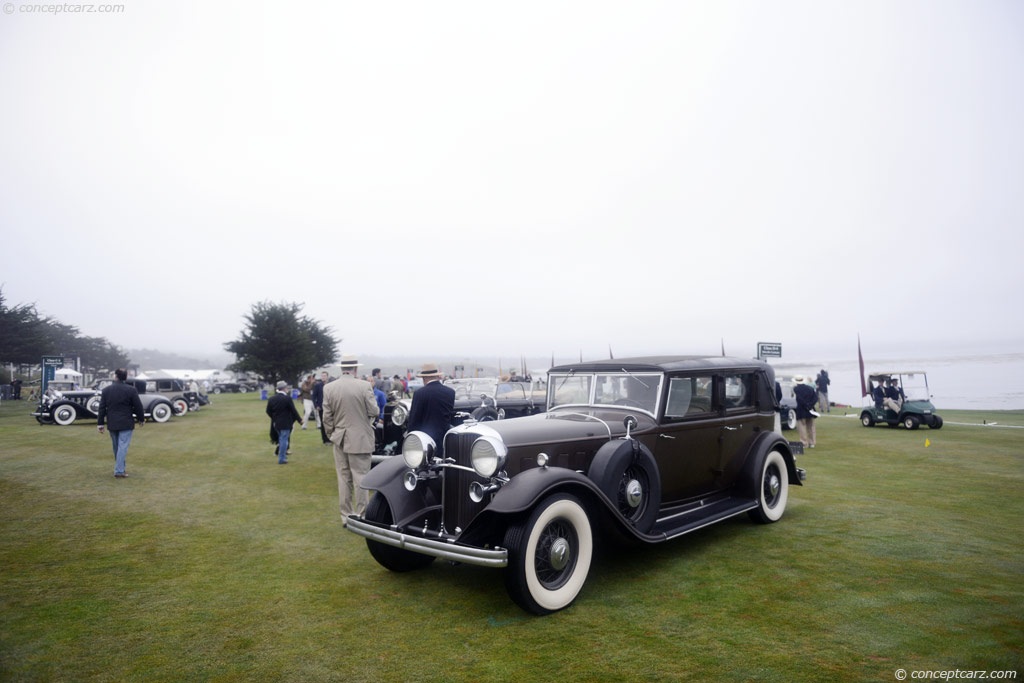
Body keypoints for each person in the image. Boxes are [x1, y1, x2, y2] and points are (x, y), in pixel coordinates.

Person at [322, 354, 379, 519]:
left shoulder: (329, 388)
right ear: (355, 368)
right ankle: (362, 515)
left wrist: (332, 435)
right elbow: (374, 411)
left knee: (343, 477)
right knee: (360, 476)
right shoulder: (364, 386)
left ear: (341, 368)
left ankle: (346, 515)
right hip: (359, 437)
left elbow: (327, 417)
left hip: (339, 437)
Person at [96, 368, 145, 478]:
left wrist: (100, 423)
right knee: (122, 447)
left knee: (116, 447)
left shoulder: (106, 390)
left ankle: (120, 469)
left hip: (112, 422)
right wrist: (141, 419)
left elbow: (102, 408)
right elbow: (138, 406)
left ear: (115, 376)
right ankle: (119, 471)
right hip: (126, 422)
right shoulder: (131, 390)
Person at [407, 362, 456, 457]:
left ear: (424, 378)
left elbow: (414, 419)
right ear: (437, 376)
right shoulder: (450, 392)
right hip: (444, 438)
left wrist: (411, 439)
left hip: (425, 440)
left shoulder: (419, 393)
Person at [266, 380, 301, 464]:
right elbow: (293, 411)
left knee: (281, 439)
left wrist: (274, 418)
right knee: (284, 441)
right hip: (285, 423)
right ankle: (282, 459)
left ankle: (281, 456)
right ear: (284, 389)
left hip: (276, 423)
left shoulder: (272, 398)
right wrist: (300, 420)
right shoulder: (287, 398)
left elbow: (268, 411)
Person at [791, 374, 817, 449]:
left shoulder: (796, 389)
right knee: (811, 427)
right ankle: (812, 443)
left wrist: (806, 405)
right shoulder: (810, 388)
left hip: (801, 410)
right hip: (810, 410)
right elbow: (815, 398)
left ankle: (804, 443)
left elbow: (799, 399)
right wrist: (810, 405)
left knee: (802, 427)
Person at [312, 371, 329, 444]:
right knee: (323, 423)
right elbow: (313, 396)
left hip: (330, 407)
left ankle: (331, 438)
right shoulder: (318, 385)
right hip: (321, 407)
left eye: (324, 376)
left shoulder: (330, 385)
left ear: (327, 376)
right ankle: (325, 440)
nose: (323, 377)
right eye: (322, 376)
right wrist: (316, 406)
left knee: (330, 423)